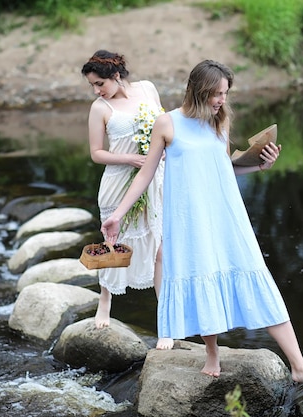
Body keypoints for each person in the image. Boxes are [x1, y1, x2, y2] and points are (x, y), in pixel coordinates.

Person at [100, 59, 303, 402]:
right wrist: (117, 214)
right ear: (198, 90)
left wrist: (259, 164)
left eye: (225, 93)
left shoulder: (218, 123)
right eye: (217, 93)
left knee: (258, 279)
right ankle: (212, 353)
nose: (222, 99)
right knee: (200, 274)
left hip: (226, 215)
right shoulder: (167, 123)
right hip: (189, 219)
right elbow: (146, 173)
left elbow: (224, 168)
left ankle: (300, 366)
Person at [81, 50, 174, 350]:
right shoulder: (99, 108)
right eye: (93, 85)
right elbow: (97, 153)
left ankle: (166, 324)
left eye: (99, 83)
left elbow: (164, 128)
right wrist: (131, 159)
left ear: (116, 75)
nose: (96, 90)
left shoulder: (147, 89)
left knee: (160, 248)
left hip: (153, 179)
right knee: (113, 243)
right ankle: (105, 301)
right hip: (118, 181)